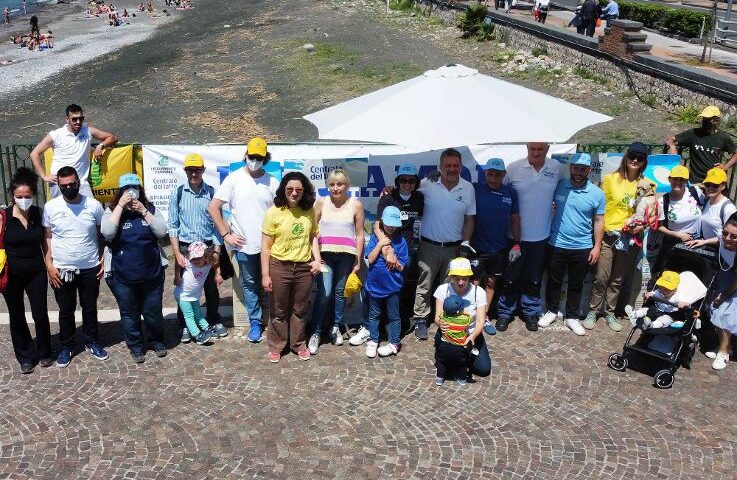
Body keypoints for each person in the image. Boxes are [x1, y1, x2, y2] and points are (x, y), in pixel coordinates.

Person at [209, 138, 279, 344]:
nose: (254, 160)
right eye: (251, 156)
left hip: (270, 246)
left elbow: (280, 213)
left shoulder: (273, 182)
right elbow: (213, 208)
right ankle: (255, 322)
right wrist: (225, 234)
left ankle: (276, 321)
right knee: (249, 284)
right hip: (243, 245)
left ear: (265, 158)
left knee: (272, 283)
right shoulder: (233, 179)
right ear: (245, 155)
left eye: (259, 157)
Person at [42, 166, 106, 367]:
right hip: (62, 268)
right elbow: (47, 238)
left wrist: (103, 259)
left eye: (72, 184)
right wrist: (49, 265)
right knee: (65, 310)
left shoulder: (94, 205)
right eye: (64, 186)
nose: (69, 188)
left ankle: (91, 341)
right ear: (58, 186)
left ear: (79, 182)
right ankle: (67, 346)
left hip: (90, 266)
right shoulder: (51, 207)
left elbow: (101, 234)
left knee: (90, 307)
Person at [583, 142, 651, 332]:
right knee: (601, 277)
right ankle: (593, 311)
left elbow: (649, 214)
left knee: (618, 279)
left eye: (640, 158)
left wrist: (641, 226)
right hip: (608, 235)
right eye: (632, 157)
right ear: (626, 158)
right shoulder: (610, 180)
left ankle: (610, 312)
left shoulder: (645, 184)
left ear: (644, 162)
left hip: (628, 238)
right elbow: (599, 210)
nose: (635, 161)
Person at [101, 174, 168, 363]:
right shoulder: (112, 210)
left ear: (140, 189)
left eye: (134, 187)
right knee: (129, 312)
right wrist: (121, 207)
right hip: (123, 274)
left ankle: (156, 341)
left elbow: (162, 231)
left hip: (152, 272)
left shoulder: (150, 208)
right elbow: (107, 232)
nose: (131, 192)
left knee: (152, 311)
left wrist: (144, 211)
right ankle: (136, 346)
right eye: (126, 188)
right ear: (121, 191)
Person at [496, 142, 561, 332]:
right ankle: (505, 312)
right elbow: (499, 189)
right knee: (510, 277)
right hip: (514, 236)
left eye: (540, 149)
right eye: (533, 149)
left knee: (533, 278)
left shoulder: (556, 168)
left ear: (547, 149)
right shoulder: (513, 168)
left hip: (540, 236)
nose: (536, 153)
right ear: (527, 148)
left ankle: (530, 312)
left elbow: (569, 186)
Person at [412, 148, 476, 340]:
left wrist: (466, 243)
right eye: (447, 166)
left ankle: (447, 319)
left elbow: (469, 219)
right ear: (440, 167)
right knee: (424, 285)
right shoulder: (427, 183)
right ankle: (421, 320)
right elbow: (406, 191)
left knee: (450, 287)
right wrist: (389, 190)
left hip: (454, 248)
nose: (452, 169)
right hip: (429, 246)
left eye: (455, 165)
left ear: (461, 167)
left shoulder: (468, 188)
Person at [538, 153, 605, 335]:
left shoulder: (597, 193)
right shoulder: (559, 186)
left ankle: (572, 317)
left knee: (576, 284)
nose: (578, 172)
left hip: (582, 245)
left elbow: (599, 221)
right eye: (575, 168)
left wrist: (597, 246)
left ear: (589, 170)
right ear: (570, 168)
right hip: (556, 242)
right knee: (554, 280)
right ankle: (551, 311)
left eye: (583, 169)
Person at [260, 172, 321, 363]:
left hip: (304, 268)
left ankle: (298, 344)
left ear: (305, 192)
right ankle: (277, 345)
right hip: (279, 266)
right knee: (279, 311)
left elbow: (313, 237)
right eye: (290, 189)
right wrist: (265, 275)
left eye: (298, 190)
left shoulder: (309, 210)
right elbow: (266, 246)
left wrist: (317, 260)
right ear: (283, 190)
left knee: (300, 309)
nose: (294, 193)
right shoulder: (273, 212)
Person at [169, 153, 226, 344]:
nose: (194, 174)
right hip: (186, 248)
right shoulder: (177, 193)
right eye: (190, 170)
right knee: (185, 290)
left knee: (210, 288)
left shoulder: (211, 193)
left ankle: (213, 320)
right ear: (185, 171)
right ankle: (184, 325)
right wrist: (177, 253)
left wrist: (217, 250)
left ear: (203, 170)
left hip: (207, 248)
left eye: (197, 170)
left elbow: (218, 224)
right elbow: (173, 225)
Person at [308, 169, 365, 354]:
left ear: (347, 185)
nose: (335, 188)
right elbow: (312, 232)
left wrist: (357, 259)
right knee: (324, 294)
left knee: (340, 293)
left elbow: (359, 234)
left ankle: (335, 326)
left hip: (346, 256)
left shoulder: (355, 205)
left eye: (339, 184)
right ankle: (315, 332)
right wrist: (314, 257)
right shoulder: (321, 203)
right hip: (324, 256)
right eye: (332, 184)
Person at [2, 168, 52, 374]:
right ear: (12, 196)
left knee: (40, 313)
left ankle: (45, 352)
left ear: (34, 195)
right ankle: (25, 357)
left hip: (36, 272)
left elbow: (46, 242)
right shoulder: (3, 216)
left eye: (27, 196)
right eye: (19, 197)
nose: (23, 200)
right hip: (12, 273)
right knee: (17, 315)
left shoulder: (39, 213)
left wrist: (49, 265)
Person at [471, 158, 520, 336]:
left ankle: (484, 317)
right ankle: (472, 316)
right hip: (478, 247)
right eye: (490, 174)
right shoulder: (476, 189)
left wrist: (517, 243)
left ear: (503, 175)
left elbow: (515, 219)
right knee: (474, 284)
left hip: (499, 248)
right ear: (485, 174)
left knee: (491, 284)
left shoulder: (510, 193)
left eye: (497, 174)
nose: (493, 178)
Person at [30, 104, 118, 199]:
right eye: (74, 119)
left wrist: (100, 146)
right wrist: (44, 176)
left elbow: (112, 138)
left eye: (81, 118)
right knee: (61, 212)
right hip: (60, 183)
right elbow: (34, 153)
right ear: (67, 119)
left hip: (80, 182)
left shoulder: (88, 131)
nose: (78, 122)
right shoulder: (56, 135)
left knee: (90, 210)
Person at [433, 258, 492, 385]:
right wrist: (440, 324)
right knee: (446, 363)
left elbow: (481, 321)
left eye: (464, 279)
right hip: (449, 334)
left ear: (469, 277)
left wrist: (472, 337)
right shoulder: (443, 290)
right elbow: (437, 316)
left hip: (470, 333)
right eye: (457, 278)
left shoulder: (479, 292)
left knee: (483, 369)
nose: (461, 282)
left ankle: (461, 361)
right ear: (451, 277)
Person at [364, 206, 408, 358]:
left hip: (393, 287)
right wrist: (380, 244)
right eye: (388, 223)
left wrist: (394, 259)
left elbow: (401, 267)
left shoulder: (401, 242)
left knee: (394, 316)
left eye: (393, 224)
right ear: (382, 222)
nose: (390, 227)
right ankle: (373, 339)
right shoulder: (376, 238)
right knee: (374, 315)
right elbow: (370, 259)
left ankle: (394, 342)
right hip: (374, 286)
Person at [651, 165, 704, 278]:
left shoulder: (696, 192)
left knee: (691, 276)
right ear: (669, 179)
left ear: (686, 181)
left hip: (696, 243)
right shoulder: (663, 201)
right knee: (670, 276)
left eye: (682, 179)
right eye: (675, 178)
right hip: (674, 244)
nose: (678, 182)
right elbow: (659, 227)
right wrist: (678, 234)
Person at [667, 106, 737, 184]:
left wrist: (725, 166)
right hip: (695, 181)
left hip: (713, 181)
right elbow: (670, 140)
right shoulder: (693, 133)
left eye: (708, 119)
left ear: (716, 120)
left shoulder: (723, 137)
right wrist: (673, 149)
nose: (704, 121)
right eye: (704, 118)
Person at [705, 215, 737, 370]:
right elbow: (718, 239)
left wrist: (724, 295)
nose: (727, 238)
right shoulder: (723, 237)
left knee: (727, 313)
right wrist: (703, 241)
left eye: (733, 236)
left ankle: (724, 353)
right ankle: (725, 346)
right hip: (727, 271)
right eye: (725, 233)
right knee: (715, 308)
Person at [174, 241, 217, 346]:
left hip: (194, 295)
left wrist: (218, 273)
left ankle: (206, 327)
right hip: (182, 295)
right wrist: (177, 276)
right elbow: (177, 263)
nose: (196, 260)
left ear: (205, 256)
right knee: (189, 316)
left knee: (198, 313)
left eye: (199, 257)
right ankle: (197, 335)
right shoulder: (188, 263)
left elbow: (217, 261)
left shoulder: (208, 264)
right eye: (194, 258)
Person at [686, 168, 737, 249]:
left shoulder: (728, 209)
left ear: (723, 186)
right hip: (705, 245)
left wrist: (704, 241)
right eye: (707, 184)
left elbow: (731, 238)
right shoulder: (707, 201)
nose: (710, 188)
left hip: (719, 251)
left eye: (715, 185)